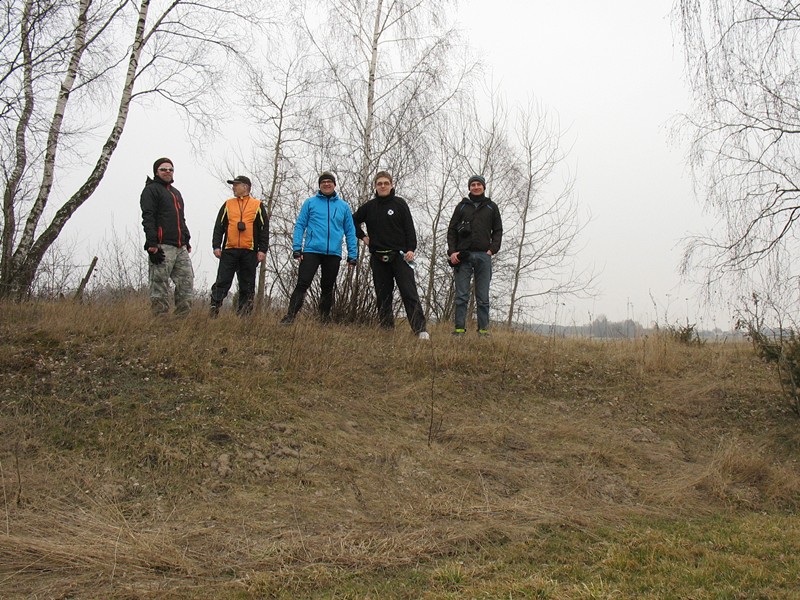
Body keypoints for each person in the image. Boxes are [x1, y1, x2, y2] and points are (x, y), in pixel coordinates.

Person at [353, 171, 429, 339]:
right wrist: (364, 237)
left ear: (391, 185)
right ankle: (387, 331)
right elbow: (352, 221)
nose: (383, 186)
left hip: (400, 256)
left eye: (386, 183)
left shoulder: (400, 204)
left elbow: (409, 228)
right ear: (375, 186)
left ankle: (420, 330)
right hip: (378, 257)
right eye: (379, 183)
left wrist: (411, 249)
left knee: (409, 293)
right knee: (383, 295)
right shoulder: (369, 207)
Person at [281, 171, 358, 324]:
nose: (326, 184)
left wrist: (352, 255)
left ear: (334, 185)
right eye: (323, 182)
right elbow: (300, 225)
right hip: (312, 251)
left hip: (333, 253)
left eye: (329, 181)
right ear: (319, 185)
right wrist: (297, 248)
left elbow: (350, 231)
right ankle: (290, 317)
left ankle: (323, 320)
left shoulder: (343, 206)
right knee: (302, 283)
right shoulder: (310, 203)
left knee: (328, 287)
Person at [447, 174, 503, 336]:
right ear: (469, 187)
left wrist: (492, 249)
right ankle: (459, 330)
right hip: (462, 256)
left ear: (483, 187)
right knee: (461, 296)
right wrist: (452, 252)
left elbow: (498, 230)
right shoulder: (461, 207)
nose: (476, 187)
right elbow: (451, 230)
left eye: (479, 184)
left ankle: (483, 331)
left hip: (483, 256)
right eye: (473, 185)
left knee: (483, 297)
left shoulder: (492, 207)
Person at [140, 157, 194, 316]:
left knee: (187, 282)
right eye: (163, 169)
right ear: (156, 171)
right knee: (159, 285)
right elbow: (148, 217)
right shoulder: (151, 190)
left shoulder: (176, 193)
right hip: (162, 245)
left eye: (170, 169)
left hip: (180, 246)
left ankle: (183, 320)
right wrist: (152, 244)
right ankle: (159, 320)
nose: (167, 172)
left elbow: (181, 219)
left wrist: (186, 240)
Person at [210, 175, 269, 316]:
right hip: (229, 250)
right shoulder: (228, 204)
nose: (233, 188)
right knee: (223, 280)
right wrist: (216, 246)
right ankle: (214, 307)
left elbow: (264, 229)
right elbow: (219, 226)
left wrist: (262, 250)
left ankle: (244, 314)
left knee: (247, 284)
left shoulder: (257, 205)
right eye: (233, 185)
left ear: (245, 187)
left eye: (236, 185)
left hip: (249, 251)